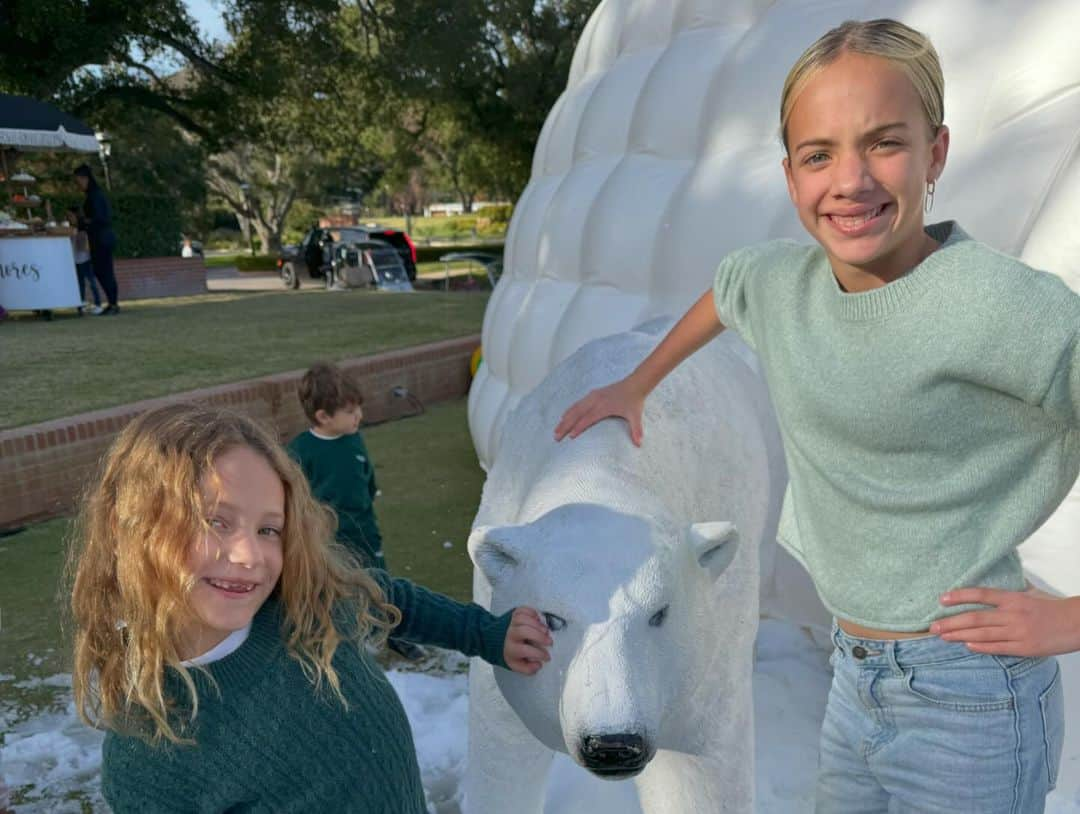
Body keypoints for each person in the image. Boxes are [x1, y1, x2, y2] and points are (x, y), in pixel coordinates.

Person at [554, 18, 1078, 814]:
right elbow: (727, 292)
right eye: (819, 154)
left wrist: (1074, 618)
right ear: (791, 173)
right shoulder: (783, 282)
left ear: (936, 152)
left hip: (969, 699)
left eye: (885, 143)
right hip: (854, 678)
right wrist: (636, 384)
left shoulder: (1001, 306)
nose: (851, 180)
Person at [69, 402, 551, 812]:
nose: (249, 556)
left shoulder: (310, 603)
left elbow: (392, 600)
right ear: (130, 527)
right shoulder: (147, 758)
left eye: (268, 529)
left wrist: (486, 635)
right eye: (215, 521)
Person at [286, 362, 428, 660]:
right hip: (326, 539)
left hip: (365, 530)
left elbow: (366, 473)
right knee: (331, 589)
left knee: (379, 583)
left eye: (358, 409)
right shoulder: (301, 450)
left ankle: (392, 634)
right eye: (350, 412)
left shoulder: (353, 439)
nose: (359, 417)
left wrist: (370, 493)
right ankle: (334, 639)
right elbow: (292, 493)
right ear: (323, 416)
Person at [73, 163, 119, 315]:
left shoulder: (95, 196)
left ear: (84, 178)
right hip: (100, 237)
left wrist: (84, 222)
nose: (78, 185)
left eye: (78, 180)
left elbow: (99, 218)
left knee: (104, 270)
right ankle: (112, 303)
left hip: (101, 238)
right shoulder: (94, 195)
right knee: (101, 271)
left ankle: (113, 304)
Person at [67, 206, 103, 315]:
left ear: (76, 216)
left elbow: (85, 246)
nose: (68, 218)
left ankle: (98, 304)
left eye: (70, 216)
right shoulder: (70, 228)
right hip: (76, 260)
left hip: (86, 260)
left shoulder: (84, 228)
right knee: (80, 284)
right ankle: (81, 305)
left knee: (92, 282)